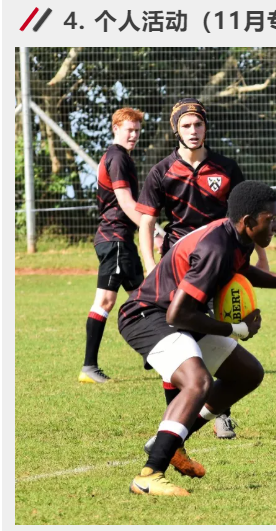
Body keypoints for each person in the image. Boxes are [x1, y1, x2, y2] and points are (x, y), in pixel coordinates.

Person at [119, 180, 276, 495]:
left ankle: (170, 440)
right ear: (248, 221)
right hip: (148, 317)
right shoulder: (216, 248)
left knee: (247, 374)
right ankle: (149, 475)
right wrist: (238, 330)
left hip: (182, 316)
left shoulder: (237, 238)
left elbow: (245, 272)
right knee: (198, 382)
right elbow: (176, 315)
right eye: (271, 220)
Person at [135, 97, 269, 439]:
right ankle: (176, 420)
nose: (193, 130)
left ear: (206, 127)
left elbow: (248, 217)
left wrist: (262, 259)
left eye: (198, 124)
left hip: (221, 264)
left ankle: (220, 412)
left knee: (219, 333)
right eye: (186, 125)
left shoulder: (226, 168)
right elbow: (146, 222)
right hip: (178, 268)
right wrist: (150, 264)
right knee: (179, 339)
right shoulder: (162, 171)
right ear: (176, 130)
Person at [78, 108, 145, 384]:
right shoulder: (117, 157)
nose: (134, 135)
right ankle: (89, 367)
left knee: (143, 297)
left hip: (119, 240)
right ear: (115, 128)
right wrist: (152, 232)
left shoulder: (118, 156)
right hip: (114, 239)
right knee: (108, 301)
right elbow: (126, 203)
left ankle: (153, 354)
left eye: (137, 130)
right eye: (129, 129)